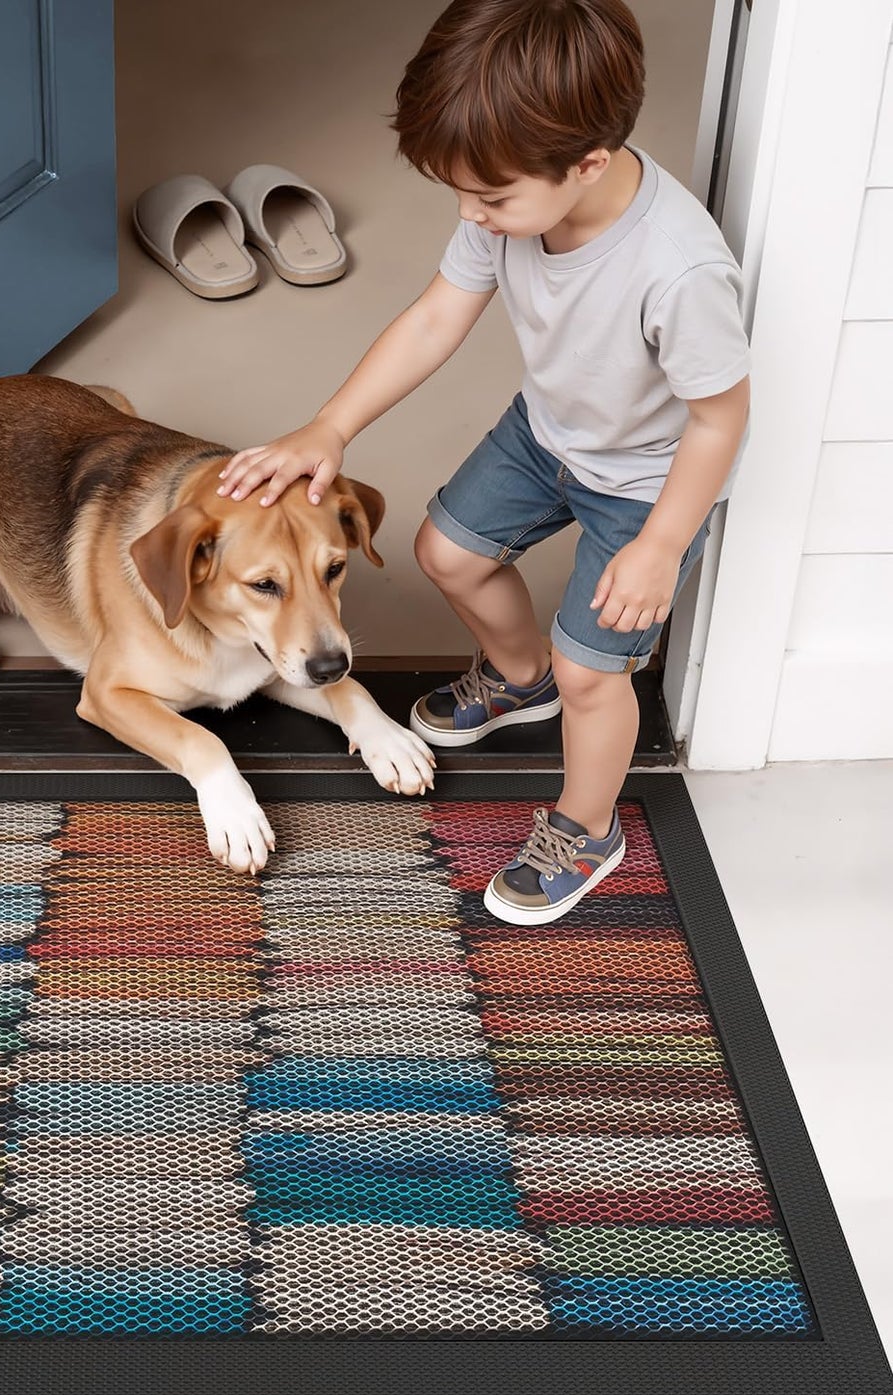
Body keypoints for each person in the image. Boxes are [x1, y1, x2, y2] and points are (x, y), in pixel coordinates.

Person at [215, 0, 750, 925]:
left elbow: (718, 418)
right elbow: (434, 317)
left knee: (596, 672)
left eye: (490, 198)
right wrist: (329, 426)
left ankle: (586, 826)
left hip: (649, 480)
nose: (471, 216)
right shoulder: (505, 200)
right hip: (546, 431)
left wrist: (661, 543)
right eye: (459, 193)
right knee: (446, 551)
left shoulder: (681, 271)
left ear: (585, 164)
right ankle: (516, 674)